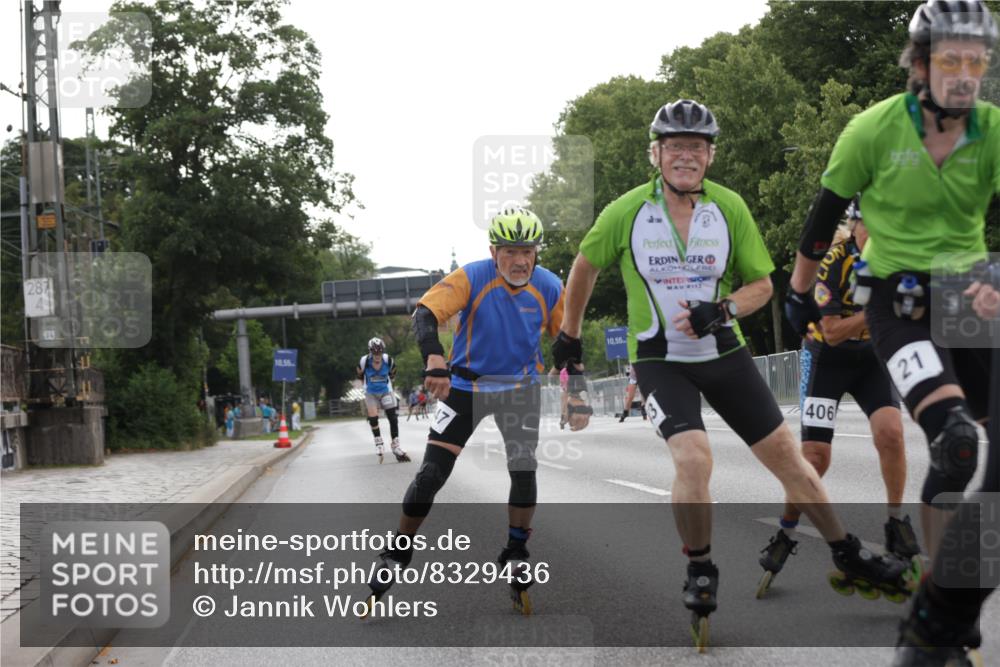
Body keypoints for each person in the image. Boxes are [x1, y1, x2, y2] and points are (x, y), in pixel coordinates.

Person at [553, 98, 914, 650]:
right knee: (695, 458)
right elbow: (584, 265)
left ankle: (846, 551)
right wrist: (570, 340)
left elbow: (762, 285)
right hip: (659, 360)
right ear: (656, 153)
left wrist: (723, 310)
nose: (685, 157)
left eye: (695, 147)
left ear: (710, 155)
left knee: (790, 461)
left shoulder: (729, 208)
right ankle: (700, 566)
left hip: (724, 353)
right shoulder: (626, 211)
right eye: (674, 146)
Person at [782, 3, 998, 663]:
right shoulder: (871, 130)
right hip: (899, 304)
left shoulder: (991, 130)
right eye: (949, 59)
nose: (964, 75)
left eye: (976, 60)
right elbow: (820, 224)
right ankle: (938, 600)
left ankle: (951, 590)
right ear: (920, 63)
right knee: (957, 443)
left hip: (969, 298)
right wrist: (798, 296)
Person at [364, 207, 592, 616]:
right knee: (432, 473)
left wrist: (576, 393)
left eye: (528, 251)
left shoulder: (550, 285)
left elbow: (568, 343)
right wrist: (434, 358)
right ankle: (398, 550)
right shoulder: (472, 277)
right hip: (466, 388)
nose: (520, 261)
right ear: (493, 251)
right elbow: (425, 313)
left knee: (524, 469)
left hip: (519, 389)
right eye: (510, 251)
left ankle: (516, 550)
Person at [757, 199, 919, 597]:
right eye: (870, 225)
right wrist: (882, 310)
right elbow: (832, 332)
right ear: (855, 225)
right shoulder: (834, 260)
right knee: (814, 459)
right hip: (826, 359)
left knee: (892, 434)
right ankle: (786, 531)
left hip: (871, 359)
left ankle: (895, 521)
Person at [357, 337, 410, 463]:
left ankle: (396, 445)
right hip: (370, 392)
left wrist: (386, 386)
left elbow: (393, 375)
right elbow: (359, 375)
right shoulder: (364, 361)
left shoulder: (388, 360)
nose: (377, 355)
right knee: (373, 417)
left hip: (386, 391)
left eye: (379, 352)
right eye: (374, 352)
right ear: (370, 351)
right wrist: (367, 386)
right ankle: (378, 442)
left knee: (393, 417)